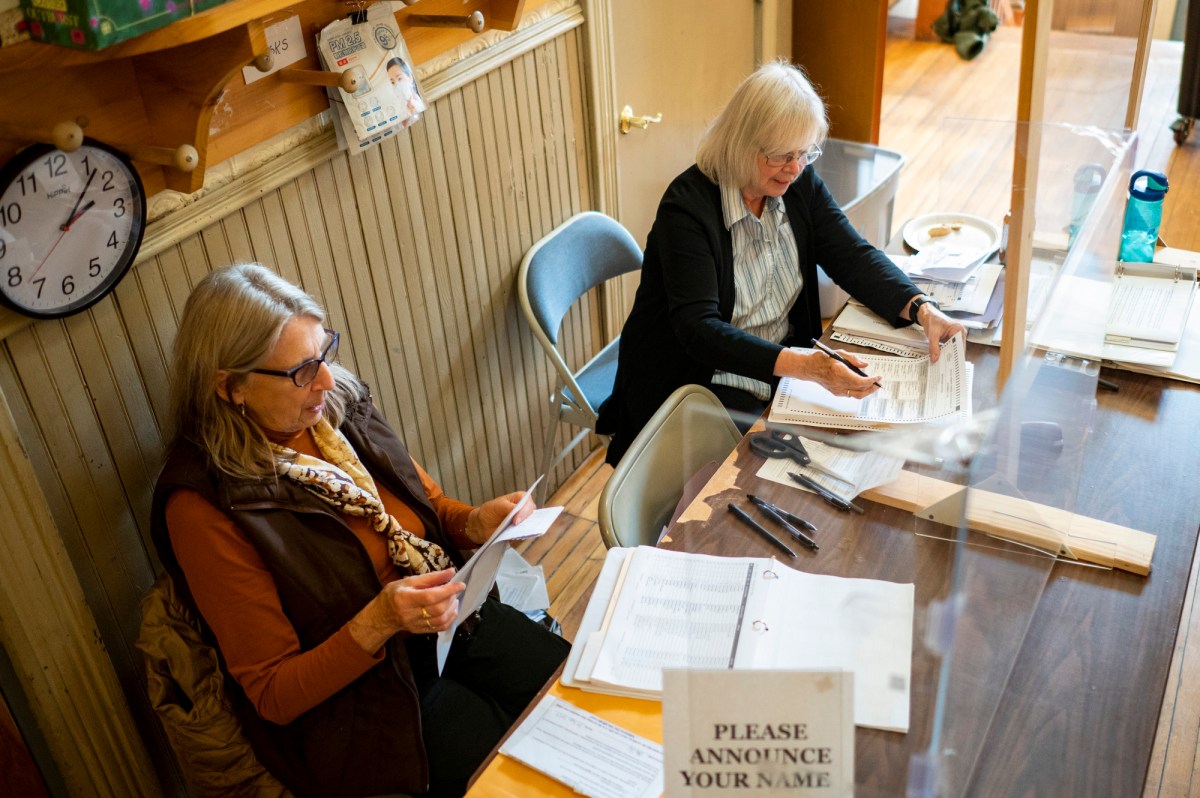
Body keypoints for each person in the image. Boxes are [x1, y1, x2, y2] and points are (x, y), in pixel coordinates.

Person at [150, 264, 569, 798]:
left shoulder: (336, 407)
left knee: (580, 698)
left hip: (452, 623)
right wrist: (380, 621)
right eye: (302, 370)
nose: (327, 378)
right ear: (231, 387)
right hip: (371, 702)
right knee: (525, 781)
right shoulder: (203, 503)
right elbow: (273, 693)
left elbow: (429, 509)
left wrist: (474, 521)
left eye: (324, 351)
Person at [596, 61, 966, 464]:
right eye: (781, 155)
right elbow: (699, 331)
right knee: (778, 477)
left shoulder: (797, 183)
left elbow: (852, 255)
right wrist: (806, 367)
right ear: (741, 143)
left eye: (805, 153)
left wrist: (921, 309)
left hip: (781, 371)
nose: (795, 168)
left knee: (854, 449)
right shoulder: (686, 211)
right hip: (702, 382)